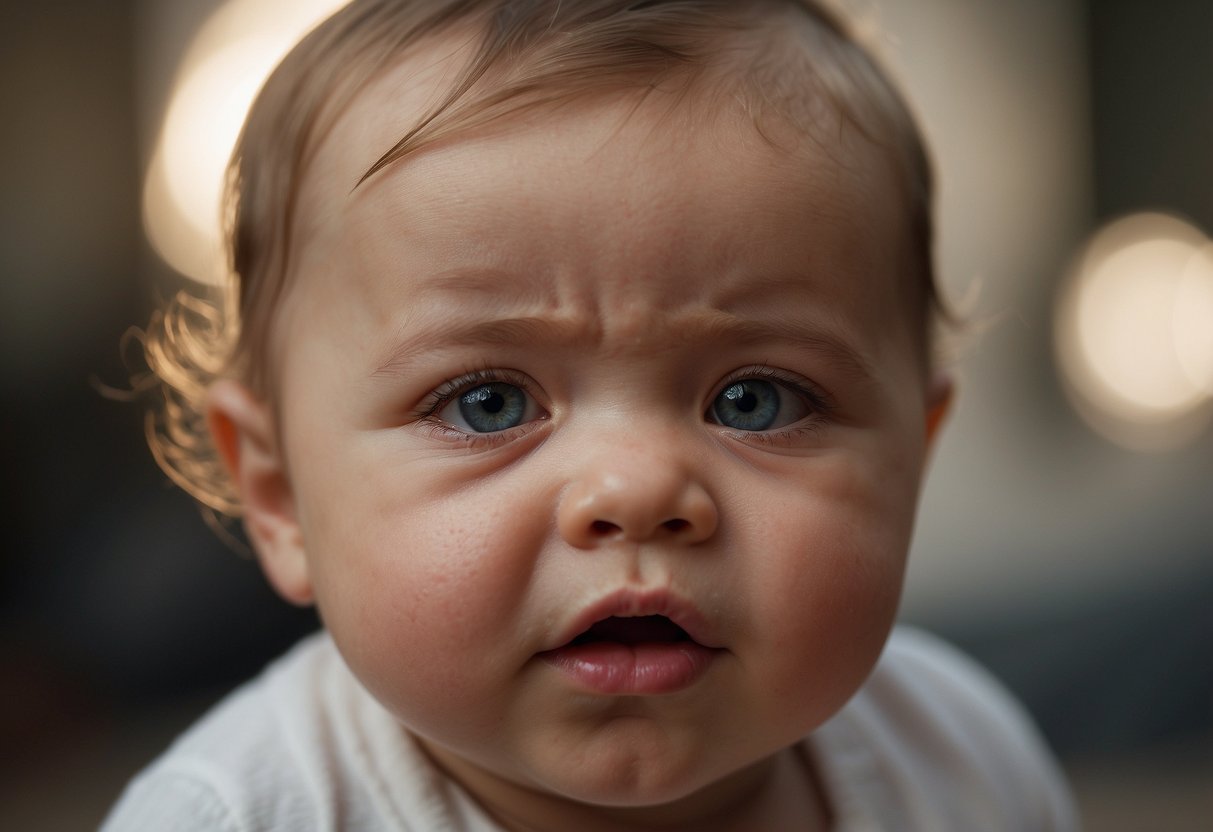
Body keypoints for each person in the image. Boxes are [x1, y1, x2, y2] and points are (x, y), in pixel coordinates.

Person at [103, 1, 1078, 829]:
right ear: (276, 495)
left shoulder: (961, 765)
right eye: (488, 404)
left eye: (755, 399)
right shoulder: (245, 810)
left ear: (912, 456)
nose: (638, 489)